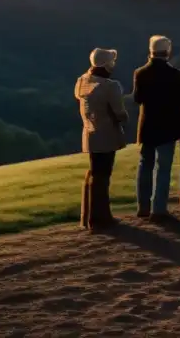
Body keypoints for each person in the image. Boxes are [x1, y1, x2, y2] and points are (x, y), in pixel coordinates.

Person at [133, 35, 180, 221]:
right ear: (168, 52)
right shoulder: (176, 75)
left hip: (148, 126)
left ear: (150, 51)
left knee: (145, 166)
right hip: (168, 127)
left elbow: (137, 99)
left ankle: (143, 207)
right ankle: (158, 209)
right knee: (163, 168)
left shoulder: (140, 73)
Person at [75, 47, 128, 231]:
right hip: (107, 135)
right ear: (105, 65)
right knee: (103, 176)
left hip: (89, 134)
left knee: (94, 174)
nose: (113, 64)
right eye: (111, 62)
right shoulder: (110, 86)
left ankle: (88, 216)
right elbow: (120, 113)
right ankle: (100, 218)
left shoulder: (82, 82)